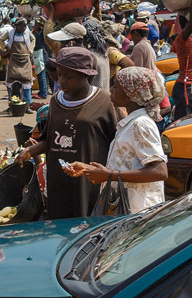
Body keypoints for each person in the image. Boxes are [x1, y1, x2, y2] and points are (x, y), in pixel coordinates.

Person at [16, 47, 118, 220]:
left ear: (85, 75)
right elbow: (50, 140)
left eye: (68, 77)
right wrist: (29, 152)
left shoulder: (104, 101)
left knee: (87, 226)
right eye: (59, 74)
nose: (61, 81)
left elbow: (117, 142)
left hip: (88, 182)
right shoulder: (56, 101)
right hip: (59, 180)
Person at [68, 66, 168, 213]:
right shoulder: (131, 122)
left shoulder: (141, 124)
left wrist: (109, 176)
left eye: (116, 86)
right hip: (127, 207)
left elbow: (159, 171)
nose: (111, 90)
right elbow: (129, 163)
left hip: (138, 210)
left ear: (130, 93)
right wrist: (90, 169)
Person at [1, 18, 35, 104]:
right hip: (14, 60)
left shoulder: (28, 33)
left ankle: (27, 104)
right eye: (21, 27)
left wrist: (31, 50)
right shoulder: (10, 33)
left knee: (27, 82)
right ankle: (11, 103)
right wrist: (5, 48)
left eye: (24, 26)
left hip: (25, 61)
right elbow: (1, 40)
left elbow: (33, 40)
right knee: (10, 82)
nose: (23, 28)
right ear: (16, 26)